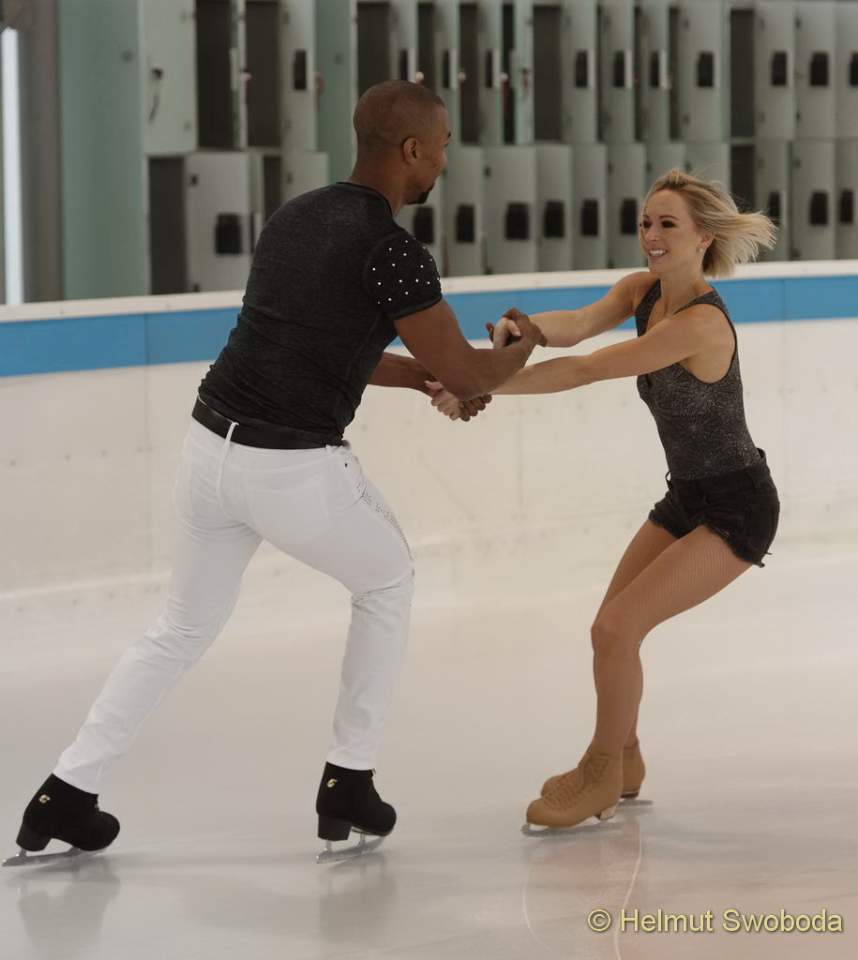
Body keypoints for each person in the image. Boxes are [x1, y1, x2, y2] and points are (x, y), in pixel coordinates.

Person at [7, 80, 546, 866]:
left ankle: (66, 792)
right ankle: (348, 780)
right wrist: (517, 351)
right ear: (411, 150)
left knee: (178, 628)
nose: (443, 162)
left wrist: (428, 378)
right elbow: (468, 372)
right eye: (441, 147)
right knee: (388, 582)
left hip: (208, 454)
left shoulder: (297, 217)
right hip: (291, 469)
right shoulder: (393, 251)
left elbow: (327, 349)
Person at [431, 169, 779, 830]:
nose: (651, 235)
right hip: (687, 498)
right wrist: (527, 329)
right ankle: (626, 758)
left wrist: (481, 382)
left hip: (738, 509)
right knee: (610, 631)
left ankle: (598, 774)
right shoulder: (642, 291)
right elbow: (578, 327)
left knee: (617, 629)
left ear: (703, 237)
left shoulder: (701, 324)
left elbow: (591, 367)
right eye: (646, 222)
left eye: (667, 224)